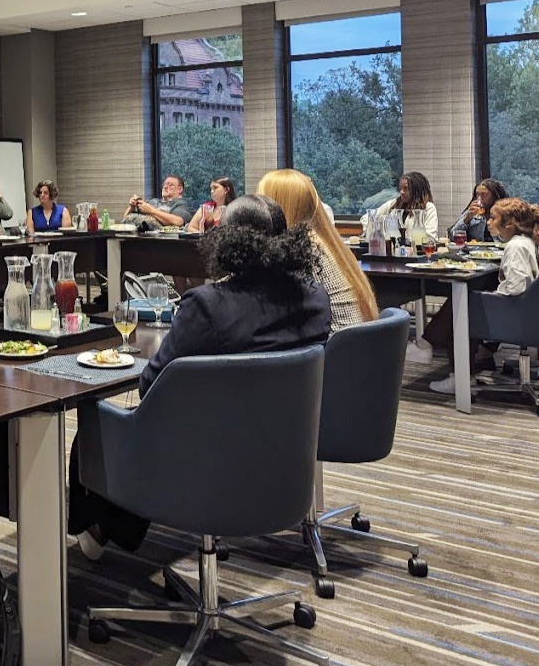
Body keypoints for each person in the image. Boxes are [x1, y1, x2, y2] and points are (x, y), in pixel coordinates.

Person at [70, 195, 331, 558]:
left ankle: (99, 530)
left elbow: (151, 387)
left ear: (227, 241)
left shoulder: (209, 305)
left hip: (209, 459)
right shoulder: (315, 297)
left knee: (99, 427)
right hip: (286, 454)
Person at [424, 198, 539, 394]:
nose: (488, 222)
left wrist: (489, 298)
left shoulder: (516, 246)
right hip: (536, 313)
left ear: (509, 224)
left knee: (463, 308)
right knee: (471, 302)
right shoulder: (529, 241)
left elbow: (515, 287)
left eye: (493, 218)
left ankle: (459, 379)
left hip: (521, 318)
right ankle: (439, 350)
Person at [258, 168, 379, 332]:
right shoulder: (326, 242)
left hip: (332, 350)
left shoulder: (303, 249)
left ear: (276, 206)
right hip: (357, 348)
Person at [366, 172, 440, 240]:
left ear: (416, 190)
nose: (401, 192)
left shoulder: (428, 208)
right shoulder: (394, 204)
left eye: (406, 189)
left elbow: (431, 236)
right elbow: (368, 217)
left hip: (418, 251)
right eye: (400, 188)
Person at [450, 179, 509, 244]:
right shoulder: (472, 211)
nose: (479, 199)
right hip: (475, 251)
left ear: (494, 196)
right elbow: (452, 237)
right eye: (477, 195)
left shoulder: (505, 213)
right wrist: (466, 219)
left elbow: (507, 240)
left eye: (484, 195)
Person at [126, 175, 194, 229]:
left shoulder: (181, 204)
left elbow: (178, 222)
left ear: (180, 189)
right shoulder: (151, 201)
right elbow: (125, 218)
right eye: (164, 184)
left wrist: (151, 210)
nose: (165, 187)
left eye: (170, 185)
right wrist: (131, 207)